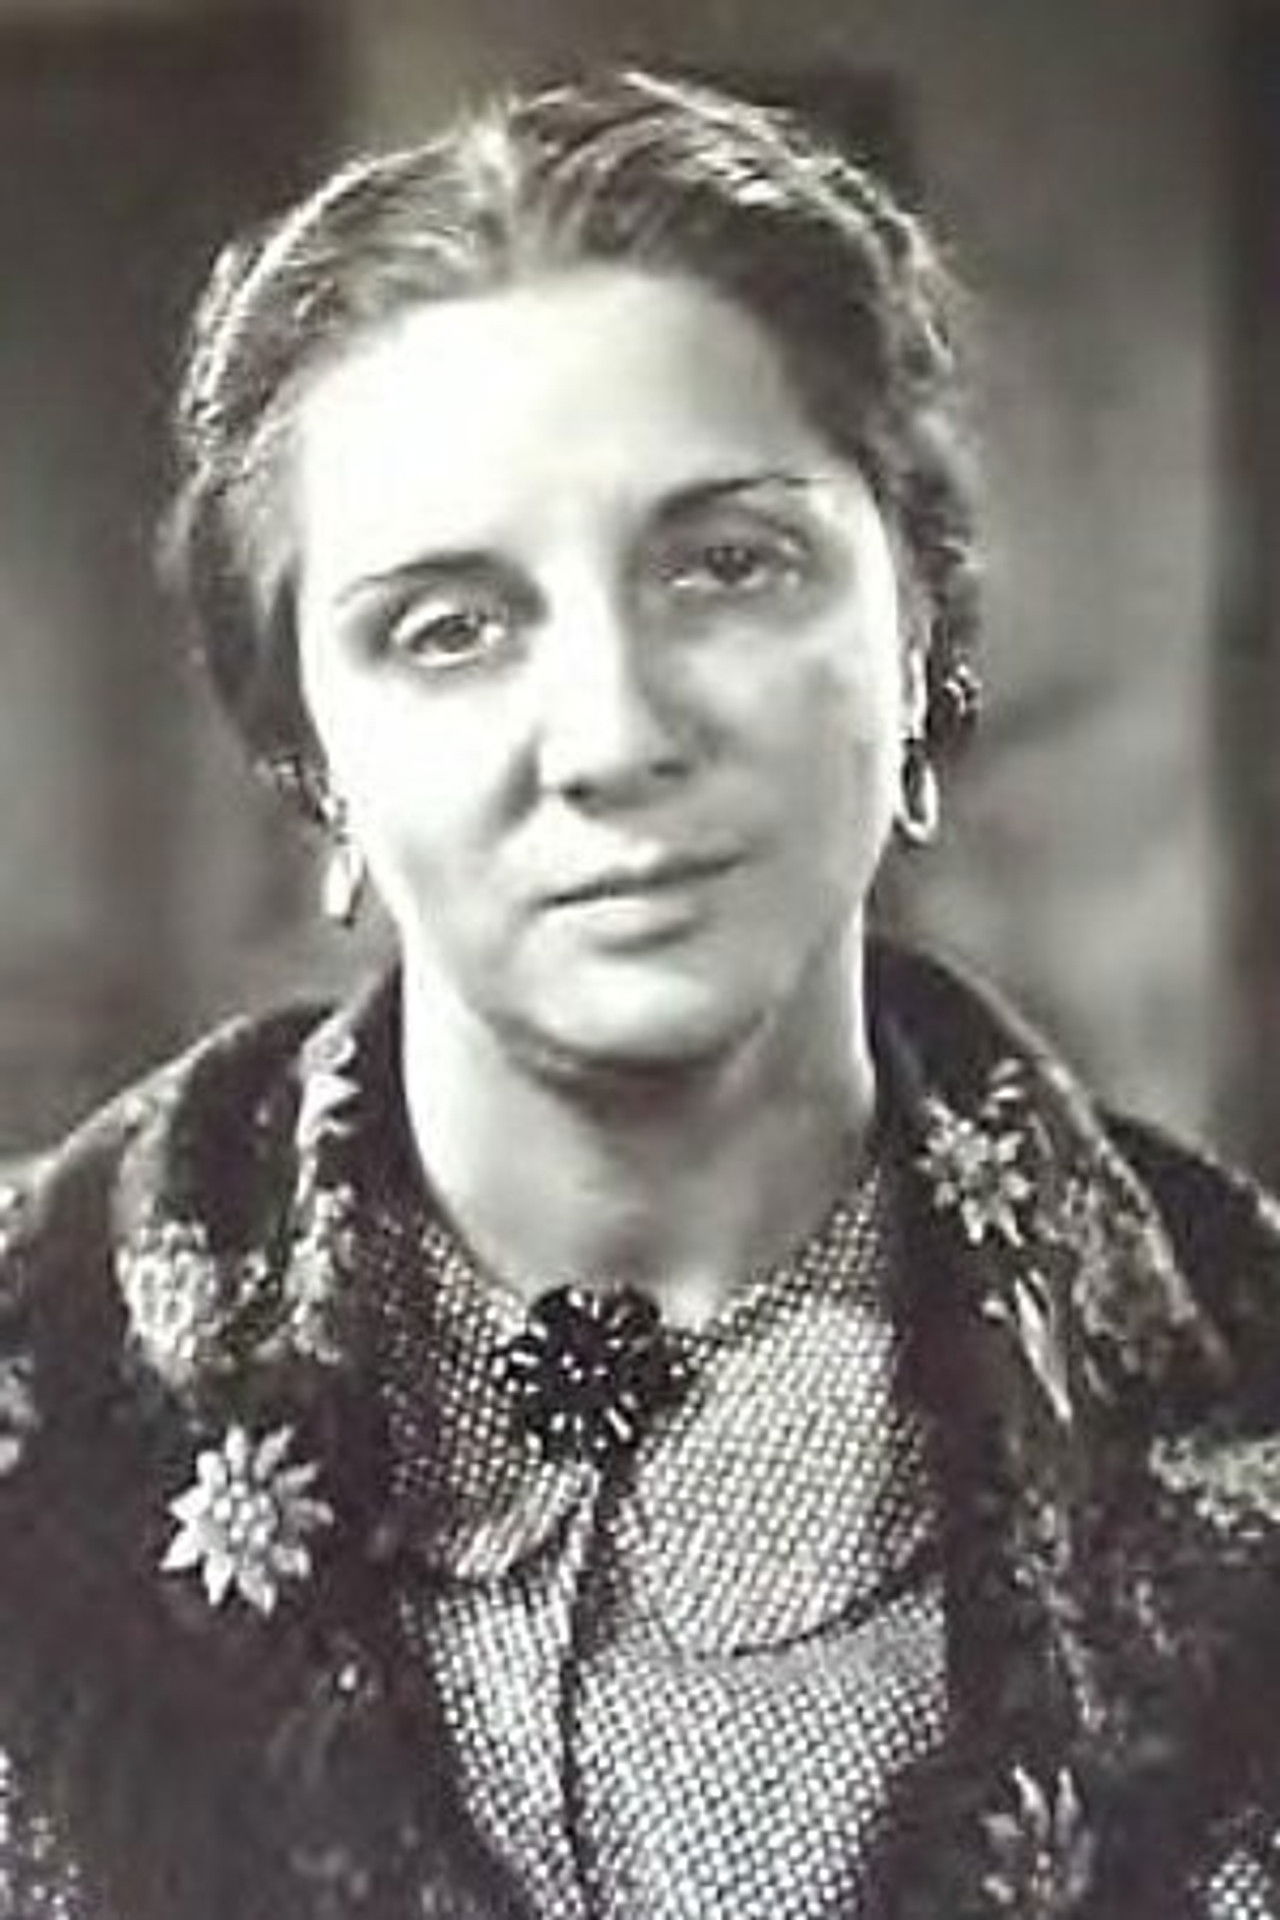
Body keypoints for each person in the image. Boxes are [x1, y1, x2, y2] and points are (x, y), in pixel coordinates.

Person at [0, 67, 1277, 1920]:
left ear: (917, 633)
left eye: (729, 567)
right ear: (308, 761)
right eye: (448, 628)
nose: (610, 736)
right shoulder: (41, 1378)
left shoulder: (1240, 1414)